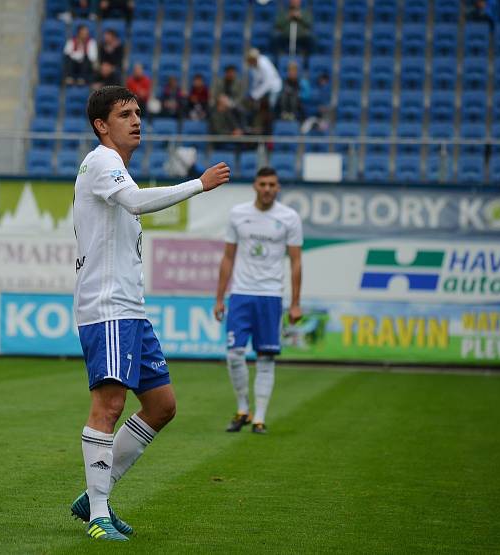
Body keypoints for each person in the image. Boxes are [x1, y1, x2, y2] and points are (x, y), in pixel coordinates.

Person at [69, 85, 230, 541]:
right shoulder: (102, 161)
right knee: (109, 405)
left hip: (129, 310)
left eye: (138, 112)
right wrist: (200, 184)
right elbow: (138, 203)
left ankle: (94, 493)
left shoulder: (115, 167)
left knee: (161, 406)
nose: (136, 120)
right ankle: (99, 512)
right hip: (107, 307)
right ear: (102, 125)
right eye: (125, 114)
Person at [213, 167, 302, 434]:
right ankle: (243, 409)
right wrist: (219, 298)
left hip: (271, 296)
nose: (266, 189)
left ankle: (259, 417)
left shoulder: (289, 218)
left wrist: (295, 302)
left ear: (278, 188)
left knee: (266, 357)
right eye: (262, 184)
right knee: (234, 354)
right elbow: (228, 257)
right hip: (241, 294)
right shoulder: (238, 214)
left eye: (272, 184)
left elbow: (296, 261)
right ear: (254, 186)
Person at [244, 48, 282, 136]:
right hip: (264, 90)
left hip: (274, 88)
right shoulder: (253, 67)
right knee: (256, 107)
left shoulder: (264, 64)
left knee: (270, 107)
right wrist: (253, 93)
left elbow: (267, 83)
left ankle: (271, 129)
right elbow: (256, 82)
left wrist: (256, 95)